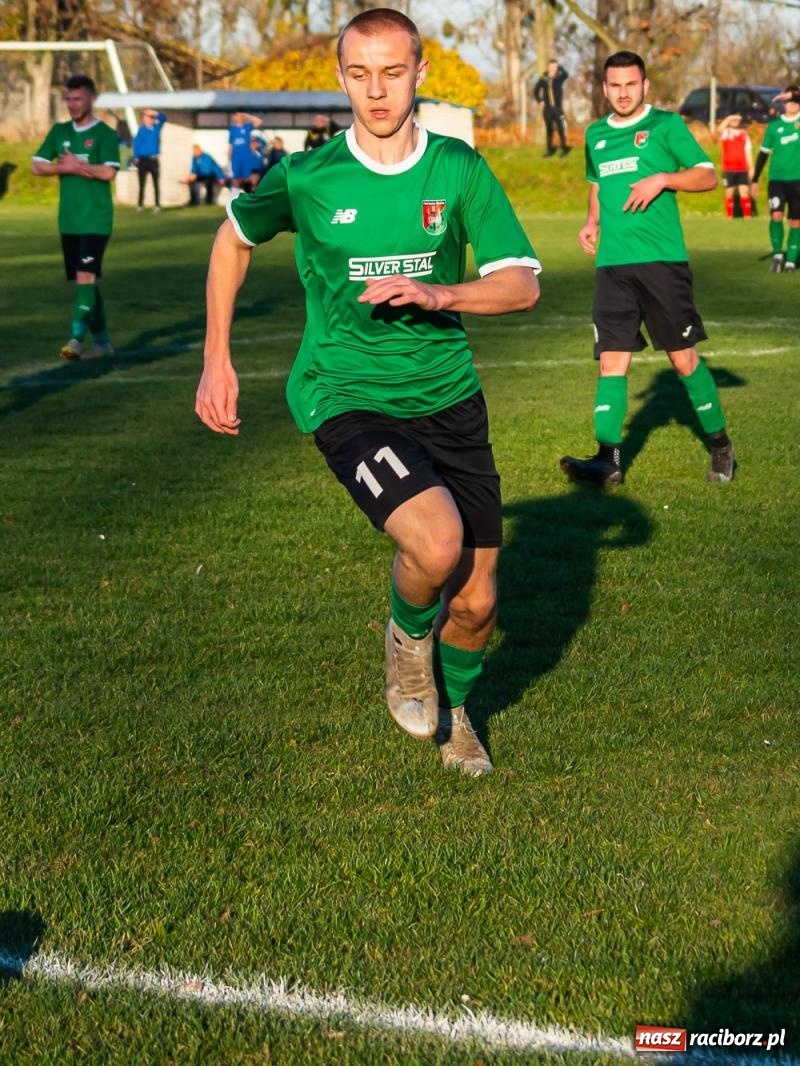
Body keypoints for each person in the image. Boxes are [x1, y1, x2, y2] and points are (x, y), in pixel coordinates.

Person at [195, 7, 541, 777]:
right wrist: (216, 357)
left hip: (448, 394)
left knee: (479, 602)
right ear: (342, 77)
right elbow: (232, 239)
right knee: (436, 542)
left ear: (420, 72)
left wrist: (439, 294)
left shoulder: (458, 169)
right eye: (359, 74)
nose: (376, 91)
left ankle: (455, 716)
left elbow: (520, 286)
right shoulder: (309, 176)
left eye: (392, 72)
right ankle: (407, 644)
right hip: (345, 393)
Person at [559, 51, 735, 486]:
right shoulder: (596, 134)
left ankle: (720, 444)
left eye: (631, 85)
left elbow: (707, 176)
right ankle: (608, 460)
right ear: (604, 89)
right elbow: (597, 184)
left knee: (683, 360)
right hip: (612, 267)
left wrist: (663, 179)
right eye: (615, 86)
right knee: (611, 361)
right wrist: (591, 221)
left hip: (661, 262)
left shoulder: (665, 126)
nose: (623, 93)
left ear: (645, 86)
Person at [31, 75, 121, 360]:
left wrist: (76, 164)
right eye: (68, 99)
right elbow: (37, 166)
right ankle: (104, 342)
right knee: (87, 282)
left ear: (92, 99)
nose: (72, 104)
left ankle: (75, 340)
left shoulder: (105, 134)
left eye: (78, 98)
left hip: (96, 219)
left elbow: (108, 172)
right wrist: (66, 168)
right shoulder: (59, 132)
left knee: (85, 277)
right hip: (69, 220)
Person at [752, 86, 800, 272]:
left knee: (796, 221)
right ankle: (778, 255)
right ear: (783, 104)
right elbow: (763, 154)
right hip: (777, 180)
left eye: (795, 101)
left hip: (797, 181)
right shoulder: (774, 126)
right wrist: (755, 180)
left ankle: (791, 261)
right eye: (789, 102)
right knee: (776, 215)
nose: (792, 105)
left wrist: (793, 94)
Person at [717, 113, 755, 219]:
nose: (734, 121)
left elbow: (748, 151)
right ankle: (729, 217)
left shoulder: (744, 134)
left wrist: (751, 167)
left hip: (742, 168)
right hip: (729, 169)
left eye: (737, 120)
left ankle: (747, 217)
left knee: (745, 192)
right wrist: (729, 117)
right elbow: (720, 129)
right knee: (729, 193)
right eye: (732, 119)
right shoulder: (726, 132)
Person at [132, 108, 166, 212]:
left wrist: (154, 112)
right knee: (142, 183)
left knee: (156, 183)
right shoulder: (141, 130)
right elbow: (136, 144)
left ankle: (157, 205)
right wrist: (136, 157)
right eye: (148, 117)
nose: (151, 119)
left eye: (152, 118)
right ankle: (140, 205)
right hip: (143, 160)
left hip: (153, 160)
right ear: (143, 119)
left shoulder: (156, 128)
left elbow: (163, 118)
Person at [533, 60, 570, 157]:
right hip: (548, 110)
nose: (554, 69)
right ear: (548, 67)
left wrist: (560, 67)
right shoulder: (543, 79)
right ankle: (549, 150)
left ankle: (564, 148)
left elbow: (566, 74)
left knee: (561, 128)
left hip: (558, 108)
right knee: (549, 129)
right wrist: (540, 100)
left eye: (555, 67)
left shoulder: (559, 78)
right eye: (552, 67)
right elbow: (535, 90)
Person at [226, 112, 264, 195]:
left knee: (248, 178)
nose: (238, 117)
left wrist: (247, 115)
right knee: (235, 179)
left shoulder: (247, 127)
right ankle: (233, 199)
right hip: (236, 158)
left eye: (240, 115)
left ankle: (251, 197)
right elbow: (230, 145)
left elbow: (259, 121)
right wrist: (228, 160)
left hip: (246, 157)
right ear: (234, 117)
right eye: (237, 115)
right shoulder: (232, 129)